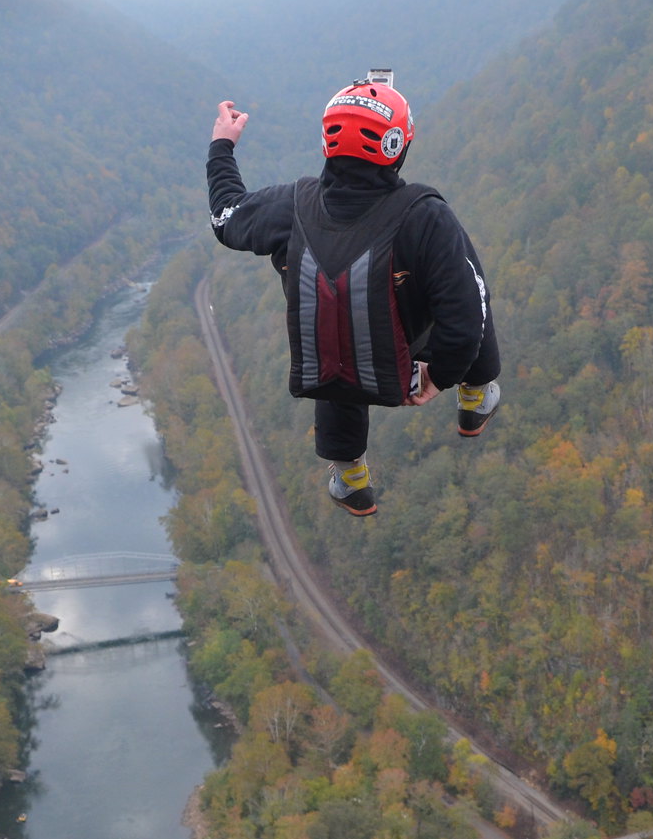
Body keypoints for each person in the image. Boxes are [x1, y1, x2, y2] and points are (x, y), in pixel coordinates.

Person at [207, 70, 502, 516]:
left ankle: (350, 477)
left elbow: (225, 217)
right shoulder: (425, 217)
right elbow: (464, 318)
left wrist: (222, 146)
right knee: (469, 279)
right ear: (398, 146)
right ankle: (477, 397)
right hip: (409, 352)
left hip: (339, 368)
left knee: (334, 329)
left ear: (327, 145)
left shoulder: (293, 205)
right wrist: (440, 375)